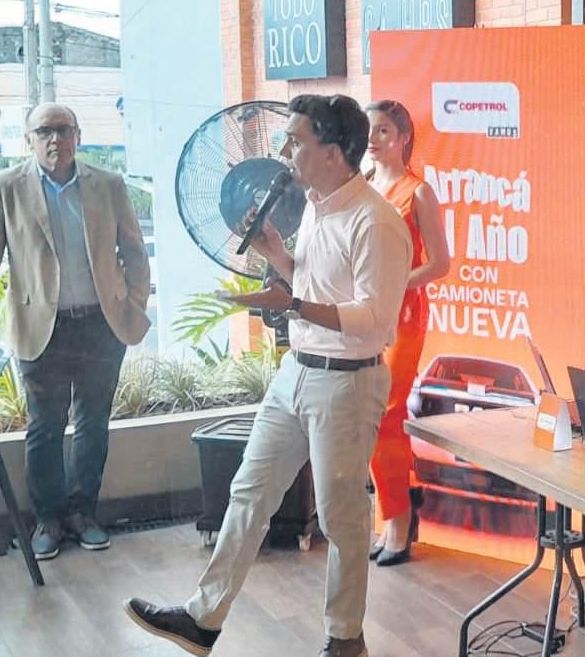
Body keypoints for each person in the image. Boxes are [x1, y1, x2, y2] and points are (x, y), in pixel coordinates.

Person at [124, 94, 412, 657]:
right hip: (296, 372)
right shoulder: (316, 207)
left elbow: (375, 319)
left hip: (347, 383)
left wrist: (293, 304)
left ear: (333, 152)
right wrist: (279, 256)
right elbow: (313, 283)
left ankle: (344, 639)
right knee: (249, 493)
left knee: (341, 517)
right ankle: (202, 619)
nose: (284, 151)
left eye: (296, 141)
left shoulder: (376, 222)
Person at [0, 103, 151, 561]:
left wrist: (133, 305)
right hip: (39, 327)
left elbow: (134, 251)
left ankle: (83, 514)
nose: (55, 139)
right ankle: (47, 520)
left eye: (63, 130)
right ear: (28, 139)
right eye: (44, 131)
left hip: (101, 324)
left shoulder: (108, 184)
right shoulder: (5, 187)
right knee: (44, 426)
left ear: (78, 136)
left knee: (93, 422)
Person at [362, 99, 449, 567]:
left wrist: (396, 284)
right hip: (363, 317)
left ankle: (396, 522)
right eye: (368, 130)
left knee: (387, 416)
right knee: (368, 418)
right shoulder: (360, 186)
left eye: (382, 130)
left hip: (404, 318)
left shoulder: (418, 192)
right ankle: (393, 512)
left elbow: (440, 263)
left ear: (403, 137)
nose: (373, 138)